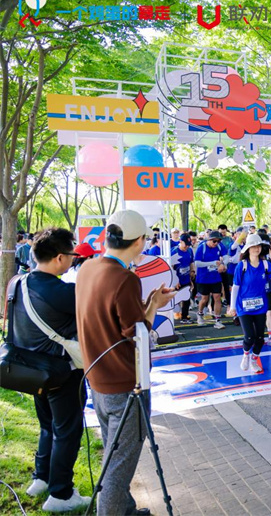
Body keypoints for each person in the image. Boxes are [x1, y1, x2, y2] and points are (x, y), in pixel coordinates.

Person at [76, 210, 176, 516]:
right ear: (140, 241)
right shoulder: (125, 279)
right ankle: (111, 510)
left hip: (98, 380)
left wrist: (146, 305)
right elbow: (138, 333)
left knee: (113, 453)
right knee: (119, 465)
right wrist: (154, 306)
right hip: (125, 383)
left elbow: (115, 321)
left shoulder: (87, 268)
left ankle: (125, 510)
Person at [13, 229, 89, 512]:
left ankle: (41, 479)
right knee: (67, 431)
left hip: (30, 370)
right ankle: (60, 494)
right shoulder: (62, 290)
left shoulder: (17, 283)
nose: (73, 260)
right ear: (59, 257)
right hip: (61, 372)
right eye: (72, 255)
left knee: (47, 426)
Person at [227, 234, 269, 374]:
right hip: (243, 307)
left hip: (260, 306)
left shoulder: (265, 264)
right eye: (253, 246)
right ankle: (245, 354)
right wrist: (232, 306)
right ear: (248, 249)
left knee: (260, 338)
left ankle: (254, 359)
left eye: (258, 246)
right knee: (249, 336)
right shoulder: (242, 266)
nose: (256, 249)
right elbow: (236, 287)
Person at [194, 230, 227, 329]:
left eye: (218, 241)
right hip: (203, 278)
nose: (216, 243)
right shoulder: (202, 248)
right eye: (214, 241)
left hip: (215, 277)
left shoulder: (220, 246)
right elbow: (197, 263)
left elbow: (226, 257)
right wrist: (213, 263)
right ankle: (200, 314)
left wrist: (222, 264)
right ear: (209, 240)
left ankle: (217, 320)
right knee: (205, 299)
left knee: (217, 297)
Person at [171, 233, 195, 324]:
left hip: (186, 278)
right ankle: (175, 315)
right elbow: (171, 267)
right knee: (176, 299)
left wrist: (192, 272)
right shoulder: (174, 251)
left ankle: (184, 317)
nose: (187, 247)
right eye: (186, 244)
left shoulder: (189, 251)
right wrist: (175, 280)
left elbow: (191, 262)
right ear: (180, 241)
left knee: (186, 298)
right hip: (177, 280)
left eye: (189, 245)